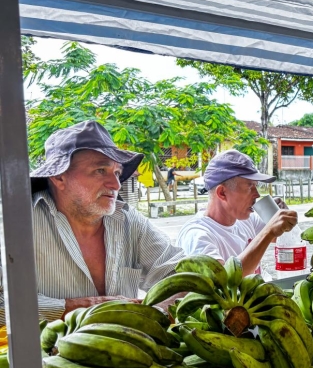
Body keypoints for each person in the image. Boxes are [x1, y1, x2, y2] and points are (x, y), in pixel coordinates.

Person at [1, 121, 185, 325]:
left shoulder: (128, 220)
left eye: (117, 172)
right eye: (100, 170)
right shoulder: (15, 226)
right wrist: (79, 307)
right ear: (59, 177)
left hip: (128, 343)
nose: (116, 184)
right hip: (45, 346)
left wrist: (153, 314)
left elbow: (183, 277)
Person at [176, 150, 297, 274]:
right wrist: (268, 231)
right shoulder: (197, 236)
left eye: (256, 186)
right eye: (249, 187)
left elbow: (282, 238)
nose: (257, 194)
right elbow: (222, 280)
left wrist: (282, 220)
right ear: (222, 193)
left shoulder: (247, 220)